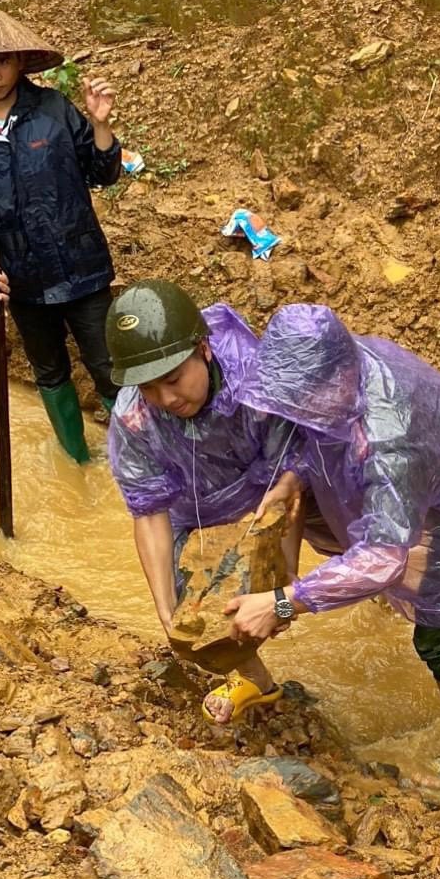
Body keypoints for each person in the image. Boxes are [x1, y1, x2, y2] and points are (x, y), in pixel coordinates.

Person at [219, 304, 440, 767]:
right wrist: (292, 479)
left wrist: (281, 601)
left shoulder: (387, 440)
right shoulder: (345, 362)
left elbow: (381, 558)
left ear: (335, 377)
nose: (294, 411)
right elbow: (309, 435)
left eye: (301, 398)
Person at [105, 279, 301, 711]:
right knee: (195, 626)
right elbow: (148, 511)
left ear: (204, 349)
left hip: (266, 499)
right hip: (188, 511)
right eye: (149, 388)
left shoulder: (257, 384)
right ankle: (257, 682)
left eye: (173, 380)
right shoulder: (135, 418)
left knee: (276, 603)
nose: (166, 399)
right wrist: (164, 609)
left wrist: (284, 574)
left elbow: (290, 473)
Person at [0, 2, 121, 462]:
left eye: (2, 60)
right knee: (49, 371)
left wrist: (101, 126)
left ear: (20, 61)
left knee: (109, 368)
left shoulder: (53, 109)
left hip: (82, 268)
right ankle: (79, 462)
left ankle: (137, 462)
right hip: (21, 278)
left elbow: (102, 174)